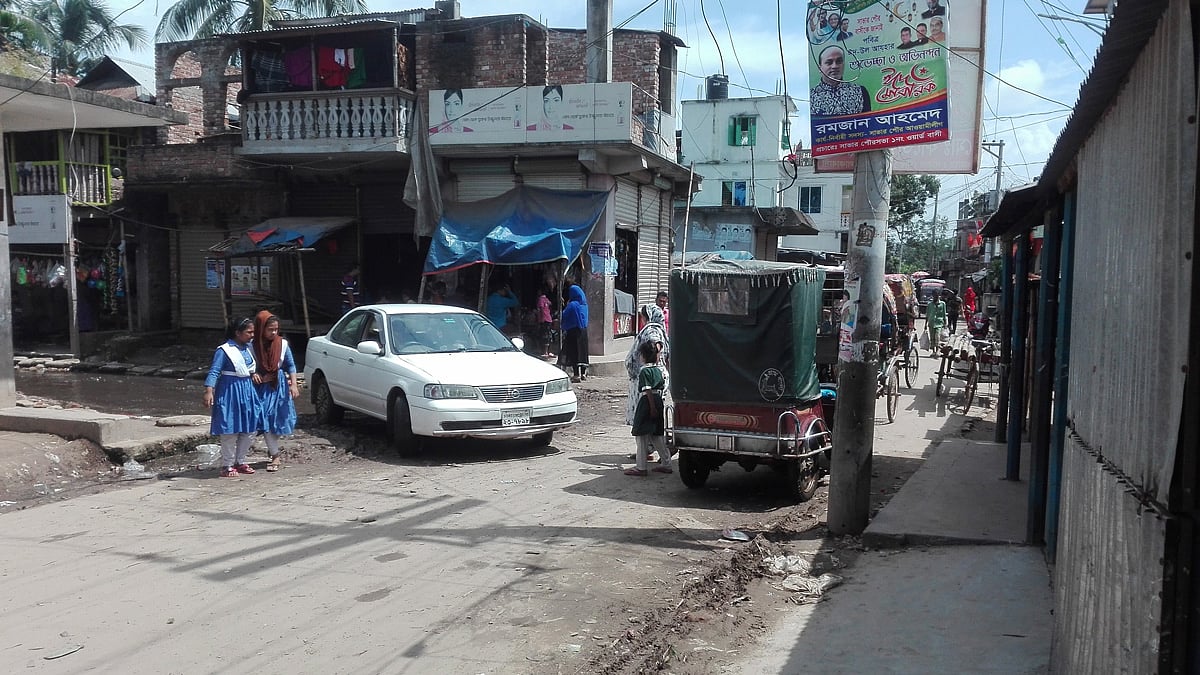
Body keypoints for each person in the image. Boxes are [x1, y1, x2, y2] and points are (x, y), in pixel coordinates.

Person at [203, 317, 263, 478]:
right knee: (229, 428)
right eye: (249, 332)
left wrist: (254, 374)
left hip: (247, 391)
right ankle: (227, 465)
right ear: (238, 333)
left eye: (253, 332)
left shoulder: (248, 349)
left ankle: (240, 461)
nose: (252, 335)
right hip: (229, 391)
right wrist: (209, 390)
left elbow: (248, 368)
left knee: (250, 427)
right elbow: (214, 371)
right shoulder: (224, 350)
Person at [252, 311, 299, 472]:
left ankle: (272, 448)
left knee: (280, 418)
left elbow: (290, 365)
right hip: (261, 388)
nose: (273, 333)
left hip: (279, 386)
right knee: (264, 419)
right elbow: (247, 366)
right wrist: (254, 374)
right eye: (270, 329)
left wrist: (294, 385)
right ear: (261, 329)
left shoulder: (282, 344)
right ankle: (275, 454)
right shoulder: (252, 346)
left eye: (276, 329)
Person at [624, 340, 672, 477]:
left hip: (647, 402)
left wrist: (651, 407)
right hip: (658, 400)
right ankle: (666, 463)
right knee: (657, 435)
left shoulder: (644, 371)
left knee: (641, 435)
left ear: (643, 356)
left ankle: (641, 467)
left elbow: (648, 390)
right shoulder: (658, 370)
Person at [625, 303, 670, 427]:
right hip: (658, 373)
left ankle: (646, 433)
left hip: (651, 374)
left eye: (643, 317)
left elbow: (656, 344)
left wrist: (652, 360)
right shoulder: (660, 330)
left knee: (646, 410)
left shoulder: (652, 330)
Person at [810, 45, 871, 117]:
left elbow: (868, 121)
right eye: (829, 62)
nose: (835, 66)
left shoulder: (860, 91)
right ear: (819, 68)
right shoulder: (811, 97)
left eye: (839, 61)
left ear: (843, 64)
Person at [559, 281, 589, 381]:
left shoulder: (572, 304)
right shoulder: (584, 305)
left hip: (573, 331)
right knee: (583, 352)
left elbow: (564, 315)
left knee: (574, 352)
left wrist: (564, 305)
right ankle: (583, 374)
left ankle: (576, 375)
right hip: (583, 331)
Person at [536, 285, 555, 358]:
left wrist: (539, 319)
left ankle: (545, 352)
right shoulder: (546, 299)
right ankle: (550, 351)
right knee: (549, 335)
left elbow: (540, 309)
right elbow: (550, 304)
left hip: (543, 319)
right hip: (549, 319)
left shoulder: (540, 299)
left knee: (544, 335)